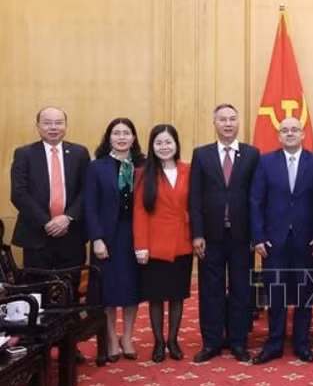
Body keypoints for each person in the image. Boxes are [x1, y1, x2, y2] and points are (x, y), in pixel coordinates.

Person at [10, 106, 91, 362]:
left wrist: (67, 217)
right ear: (38, 126)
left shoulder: (79, 153)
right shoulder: (24, 154)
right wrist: (47, 222)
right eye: (48, 123)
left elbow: (86, 191)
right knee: (37, 290)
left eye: (58, 122)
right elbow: (19, 193)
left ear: (65, 125)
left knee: (71, 291)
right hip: (37, 235)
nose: (53, 127)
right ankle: (38, 345)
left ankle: (70, 344)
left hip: (71, 232)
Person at [189, 103, 260, 363]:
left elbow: (257, 198)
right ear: (214, 123)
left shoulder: (252, 154)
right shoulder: (202, 154)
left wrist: (257, 234)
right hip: (210, 235)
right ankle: (211, 342)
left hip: (243, 236)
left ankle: (239, 342)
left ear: (238, 122)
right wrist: (197, 234)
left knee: (242, 290)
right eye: (222, 119)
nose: (228, 124)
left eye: (232, 119)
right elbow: (194, 198)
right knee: (210, 290)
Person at [250, 117, 313, 365]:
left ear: (303, 134)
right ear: (279, 136)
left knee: (304, 294)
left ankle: (302, 344)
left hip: (307, 241)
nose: (290, 134)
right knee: (276, 294)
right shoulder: (266, 162)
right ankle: (274, 343)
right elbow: (256, 202)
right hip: (273, 241)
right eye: (285, 130)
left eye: (294, 130)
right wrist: (258, 236)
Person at [84, 117, 145, 363]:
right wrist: (97, 239)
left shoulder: (143, 166)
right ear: (109, 137)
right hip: (107, 237)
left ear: (133, 138)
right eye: (116, 133)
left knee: (132, 288)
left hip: (135, 234)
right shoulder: (96, 166)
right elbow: (89, 206)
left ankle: (127, 336)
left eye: (126, 133)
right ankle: (110, 337)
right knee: (107, 290)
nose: (121, 137)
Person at [133, 124, 193, 363]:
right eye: (159, 143)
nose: (164, 147)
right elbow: (139, 212)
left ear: (176, 144)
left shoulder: (188, 170)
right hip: (154, 244)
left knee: (177, 295)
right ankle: (158, 343)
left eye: (169, 142)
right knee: (156, 296)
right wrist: (141, 246)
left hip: (182, 240)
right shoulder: (143, 173)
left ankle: (173, 341)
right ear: (152, 146)